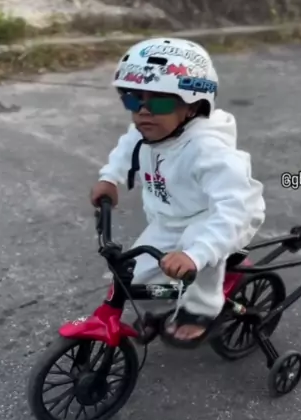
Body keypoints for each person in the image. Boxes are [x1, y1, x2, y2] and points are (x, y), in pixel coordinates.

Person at [90, 37, 265, 348]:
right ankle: (169, 304)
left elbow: (235, 208)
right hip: (171, 218)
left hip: (217, 217)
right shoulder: (147, 131)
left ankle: (200, 310)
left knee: (194, 248)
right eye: (133, 101)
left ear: (192, 106)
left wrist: (196, 254)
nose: (143, 112)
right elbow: (127, 147)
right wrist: (110, 178)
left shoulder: (209, 150)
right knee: (137, 276)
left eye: (159, 103)